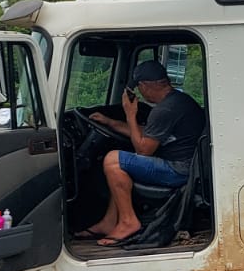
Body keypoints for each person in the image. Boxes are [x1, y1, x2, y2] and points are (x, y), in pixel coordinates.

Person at [81, 60, 205, 246]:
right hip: (188, 166)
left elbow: (143, 149)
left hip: (179, 171)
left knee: (113, 160)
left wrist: (130, 113)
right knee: (121, 165)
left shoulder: (165, 110)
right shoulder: (177, 101)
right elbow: (148, 134)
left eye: (139, 87)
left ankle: (128, 222)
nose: (139, 92)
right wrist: (111, 123)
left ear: (146, 86)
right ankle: (109, 222)